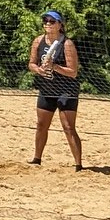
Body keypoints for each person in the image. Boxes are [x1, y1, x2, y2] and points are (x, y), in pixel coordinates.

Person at [28, 9, 82, 170]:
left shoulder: (66, 43)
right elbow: (31, 64)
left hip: (66, 90)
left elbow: (73, 72)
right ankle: (37, 159)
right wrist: (39, 70)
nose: (48, 24)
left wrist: (54, 66)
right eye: (45, 21)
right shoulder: (38, 41)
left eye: (52, 21)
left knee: (68, 127)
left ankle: (79, 164)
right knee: (41, 125)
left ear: (60, 25)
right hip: (47, 88)